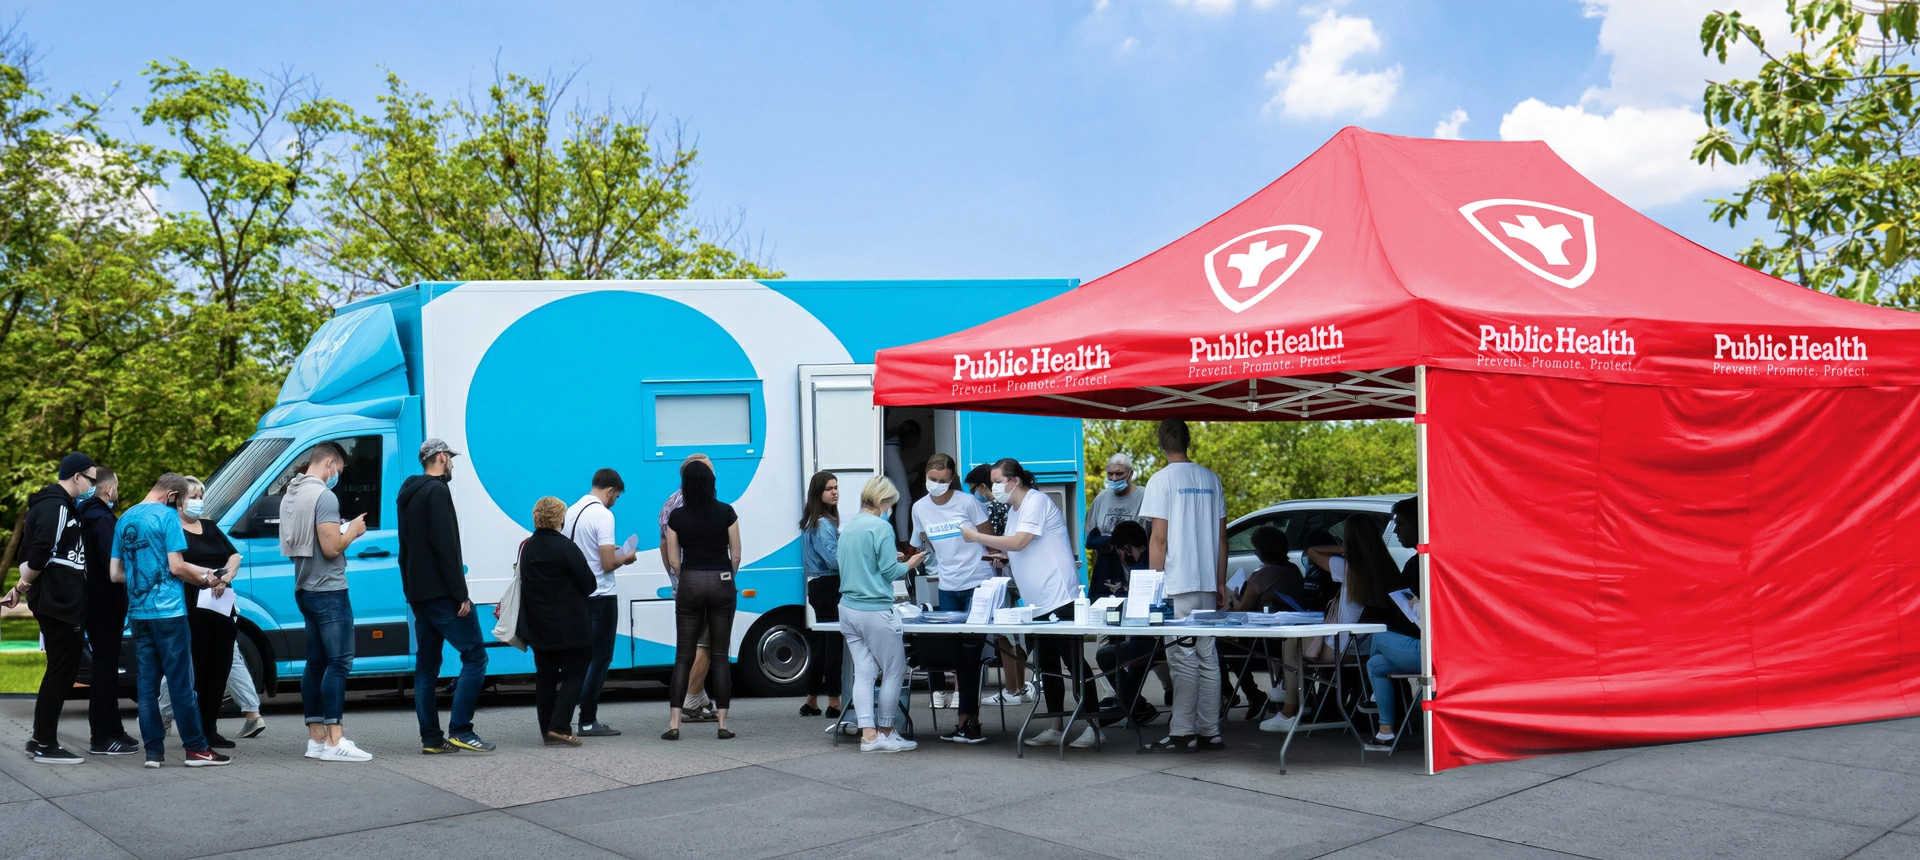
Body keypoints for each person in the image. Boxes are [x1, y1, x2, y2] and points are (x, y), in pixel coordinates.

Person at [962, 458, 1101, 749]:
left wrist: (976, 536)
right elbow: (1016, 546)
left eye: (998, 481)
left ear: (1015, 481)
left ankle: (1093, 724)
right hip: (1037, 602)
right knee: (1047, 665)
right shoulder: (1015, 509)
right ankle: (1055, 725)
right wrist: (1002, 554)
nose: (994, 487)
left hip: (1059, 597)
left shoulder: (1035, 501)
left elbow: (1020, 542)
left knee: (1073, 662)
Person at [111, 473, 231, 768]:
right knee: (181, 684)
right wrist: (204, 580)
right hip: (170, 613)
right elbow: (177, 567)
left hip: (138, 614)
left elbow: (114, 573)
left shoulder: (125, 518)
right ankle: (197, 749)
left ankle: (153, 752)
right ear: (173, 496)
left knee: (147, 685)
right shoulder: (167, 517)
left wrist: (142, 578)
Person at [397, 438, 493, 755]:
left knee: (426, 668)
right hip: (441, 593)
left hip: (419, 594)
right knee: (476, 657)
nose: (452, 464)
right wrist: (460, 594)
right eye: (450, 458)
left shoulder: (407, 494)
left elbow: (407, 550)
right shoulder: (438, 491)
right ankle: (462, 730)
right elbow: (445, 547)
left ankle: (431, 739)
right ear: (440, 457)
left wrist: (411, 590)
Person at [3, 453, 99, 764]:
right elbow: (38, 554)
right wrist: (21, 586)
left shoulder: (62, 505)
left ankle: (41, 739)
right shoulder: (55, 506)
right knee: (61, 672)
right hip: (58, 603)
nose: (93, 485)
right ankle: (44, 743)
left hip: (63, 600)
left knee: (60, 671)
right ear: (76, 477)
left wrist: (20, 587)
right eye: (91, 479)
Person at [1139, 419, 1228, 752]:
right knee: (1208, 656)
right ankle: (1209, 730)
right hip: (1206, 582)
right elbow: (1222, 537)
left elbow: (1158, 537)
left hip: (1176, 583)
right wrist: (1220, 581)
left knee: (1181, 659)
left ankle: (1181, 732)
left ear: (1160, 445)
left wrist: (1153, 583)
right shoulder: (1210, 478)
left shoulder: (1160, 481)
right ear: (1188, 442)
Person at [279, 441, 372, 762]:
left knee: (316, 663)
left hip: (304, 586)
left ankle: (316, 739)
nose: (337, 477)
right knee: (339, 662)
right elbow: (332, 547)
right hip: (329, 589)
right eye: (339, 471)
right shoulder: (324, 496)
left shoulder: (292, 493)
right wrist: (354, 530)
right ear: (330, 463)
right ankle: (335, 740)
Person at [1306, 512, 1416, 748]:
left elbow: (1312, 552)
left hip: (1349, 647)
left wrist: (1344, 548)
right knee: (1367, 664)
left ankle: (1291, 708)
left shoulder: (1346, 567)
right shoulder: (1389, 568)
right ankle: (1371, 717)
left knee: (1291, 649)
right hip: (1370, 646)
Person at [839, 476, 926, 752]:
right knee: (894, 670)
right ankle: (887, 731)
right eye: (891, 504)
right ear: (882, 502)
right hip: (875, 609)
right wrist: (910, 562)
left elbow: (862, 563)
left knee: (864, 672)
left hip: (848, 609)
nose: (892, 509)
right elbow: (890, 573)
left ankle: (869, 734)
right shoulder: (881, 528)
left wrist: (892, 559)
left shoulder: (850, 527)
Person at [911, 454, 994, 742]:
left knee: (970, 654)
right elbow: (921, 543)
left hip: (977, 583)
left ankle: (969, 722)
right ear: (926, 474)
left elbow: (989, 538)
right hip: (947, 586)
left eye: (943, 481)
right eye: (933, 479)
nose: (936, 484)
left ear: (952, 479)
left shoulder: (967, 502)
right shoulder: (919, 508)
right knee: (956, 656)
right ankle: (965, 723)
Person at [661, 458, 742, 740]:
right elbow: (736, 554)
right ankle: (722, 724)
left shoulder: (677, 517)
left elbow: (673, 559)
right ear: (711, 483)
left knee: (683, 656)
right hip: (721, 581)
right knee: (719, 656)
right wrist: (726, 576)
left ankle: (674, 724)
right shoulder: (726, 512)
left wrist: (686, 575)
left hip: (691, 582)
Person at [564, 468, 640, 737]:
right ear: (610, 491)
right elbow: (608, 563)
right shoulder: (604, 515)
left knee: (581, 658)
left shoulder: (572, 511)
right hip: (601, 595)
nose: (614, 502)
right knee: (601, 657)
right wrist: (626, 557)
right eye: (616, 497)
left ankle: (569, 717)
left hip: (578, 595)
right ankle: (587, 720)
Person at [518, 496, 598, 746]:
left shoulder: (527, 547)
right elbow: (589, 584)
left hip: (538, 625)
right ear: (559, 519)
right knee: (576, 673)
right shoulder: (566, 547)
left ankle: (547, 731)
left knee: (546, 677)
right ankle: (560, 725)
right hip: (571, 625)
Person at [175, 476, 243, 749]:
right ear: (179, 500)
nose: (198, 502)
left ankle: (211, 728)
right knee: (198, 670)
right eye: (193, 496)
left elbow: (234, 556)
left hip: (222, 605)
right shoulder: (173, 529)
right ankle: (194, 731)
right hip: (193, 606)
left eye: (201, 496)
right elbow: (178, 566)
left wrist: (223, 578)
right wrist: (208, 578)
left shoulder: (210, 526)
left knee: (220, 667)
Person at [77, 467, 140, 756]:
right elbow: (112, 564)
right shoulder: (102, 520)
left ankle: (113, 729)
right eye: (116, 487)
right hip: (104, 603)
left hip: (95, 602)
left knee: (108, 670)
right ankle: (102, 736)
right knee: (105, 671)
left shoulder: (85, 516)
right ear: (109, 490)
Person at [1224, 527, 1313, 731]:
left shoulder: (1262, 575)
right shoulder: (1293, 571)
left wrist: (1233, 598)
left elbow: (1243, 610)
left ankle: (1248, 693)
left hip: (1266, 640)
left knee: (1223, 647)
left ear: (1262, 551)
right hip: (1288, 638)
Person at [967, 463, 1032, 708]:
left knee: (1004, 634)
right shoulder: (1016, 505)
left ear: (983, 486)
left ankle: (1012, 688)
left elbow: (993, 544)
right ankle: (1022, 686)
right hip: (1020, 574)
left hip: (1001, 573)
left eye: (975, 489)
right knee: (1019, 632)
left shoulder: (991, 507)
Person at [658, 453, 717, 722]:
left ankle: (700, 696)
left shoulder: (669, 502)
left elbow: (664, 546)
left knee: (690, 644)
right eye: (710, 471)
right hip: (702, 580)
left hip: (683, 585)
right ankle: (692, 699)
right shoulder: (697, 504)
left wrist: (676, 578)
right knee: (707, 641)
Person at [1363, 497, 1423, 750]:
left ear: (1417, 524)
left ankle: (1375, 699)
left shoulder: (1423, 564)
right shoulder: (1417, 562)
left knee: (1377, 635)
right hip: (1422, 641)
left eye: (1400, 524)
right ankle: (1385, 733)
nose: (1396, 531)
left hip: (1436, 648)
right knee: (1375, 664)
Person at [1091, 520, 1159, 727]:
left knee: (1104, 656)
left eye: (1120, 552)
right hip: (1159, 638)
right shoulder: (1157, 558)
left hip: (1152, 641)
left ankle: (1134, 707)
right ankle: (1133, 706)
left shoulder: (1141, 567)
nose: (1120, 557)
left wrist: (1120, 593)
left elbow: (1136, 610)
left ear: (1127, 548)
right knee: (1130, 652)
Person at [798, 471, 843, 719]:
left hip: (816, 585)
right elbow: (833, 560)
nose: (835, 492)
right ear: (818, 493)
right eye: (829, 488)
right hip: (829, 584)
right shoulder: (824, 523)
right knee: (833, 645)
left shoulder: (810, 520)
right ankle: (835, 702)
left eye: (836, 487)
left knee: (822, 646)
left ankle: (811, 700)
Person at [1084, 453, 1147, 553]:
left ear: (1130, 473)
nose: (1114, 478)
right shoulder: (1101, 499)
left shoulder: (1145, 496)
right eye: (1110, 474)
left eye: (1119, 474)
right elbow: (1089, 537)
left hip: (1135, 566)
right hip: (1107, 565)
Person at [882, 421, 920, 542]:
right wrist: (900, 428)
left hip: (889, 448)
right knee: (904, 499)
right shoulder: (886, 407)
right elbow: (881, 432)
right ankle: (904, 541)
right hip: (888, 447)